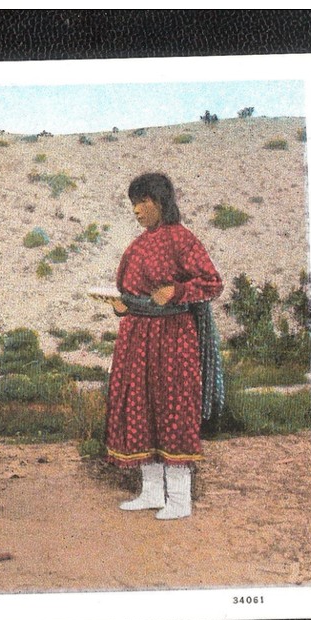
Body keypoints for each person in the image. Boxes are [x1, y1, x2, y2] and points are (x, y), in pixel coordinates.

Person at [103, 173, 224, 520]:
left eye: (143, 202)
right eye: (134, 204)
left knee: (173, 409)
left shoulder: (182, 240)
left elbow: (212, 282)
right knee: (140, 408)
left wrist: (177, 291)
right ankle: (152, 492)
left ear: (162, 203)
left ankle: (180, 500)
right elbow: (129, 290)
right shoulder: (137, 245)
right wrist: (122, 305)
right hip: (136, 337)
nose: (137, 210)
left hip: (172, 337)